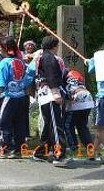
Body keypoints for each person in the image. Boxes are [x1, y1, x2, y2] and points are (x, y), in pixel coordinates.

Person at [0, 36, 34, 159]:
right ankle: (18, 150)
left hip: (8, 97)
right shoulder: (20, 61)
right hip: (21, 97)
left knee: (4, 122)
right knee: (19, 123)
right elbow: (27, 79)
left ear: (5, 48)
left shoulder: (4, 63)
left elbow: (1, 81)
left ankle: (6, 149)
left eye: (0, 47)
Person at [31, 36, 69, 167]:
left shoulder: (40, 57)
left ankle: (41, 152)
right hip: (50, 94)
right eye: (57, 46)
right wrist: (55, 92)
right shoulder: (49, 58)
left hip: (43, 95)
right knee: (56, 126)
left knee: (48, 126)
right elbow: (51, 76)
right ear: (54, 46)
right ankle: (59, 155)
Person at [62, 69, 94, 158]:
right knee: (82, 126)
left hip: (77, 100)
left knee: (67, 125)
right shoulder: (77, 74)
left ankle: (74, 148)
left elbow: (66, 93)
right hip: (88, 98)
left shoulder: (65, 77)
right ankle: (90, 148)